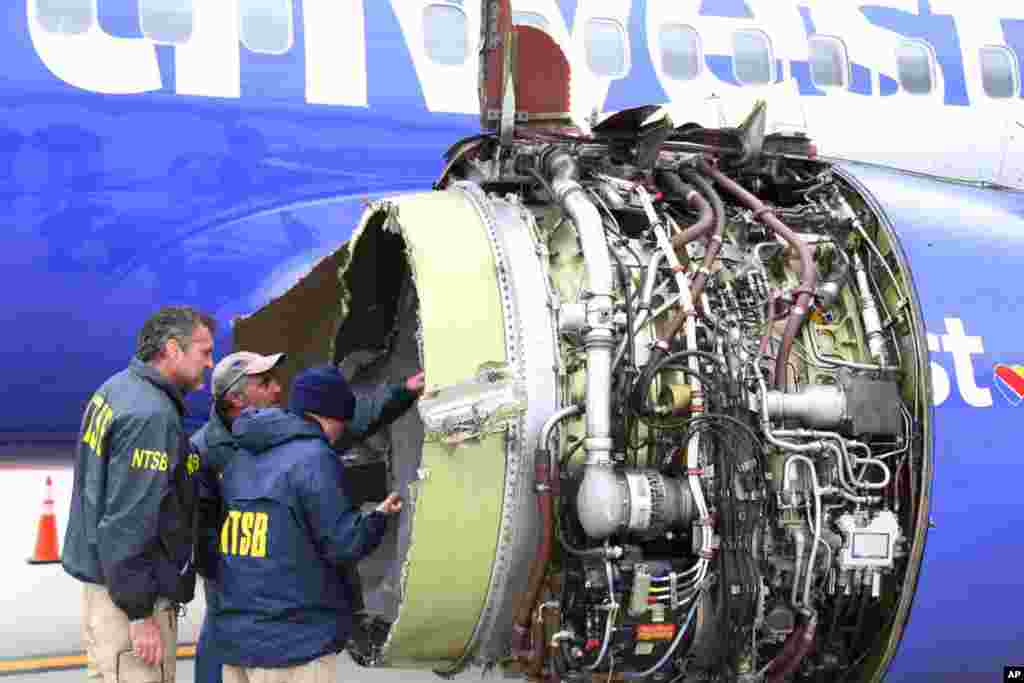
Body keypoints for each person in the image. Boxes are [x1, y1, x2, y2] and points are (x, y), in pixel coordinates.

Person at [197, 361, 423, 683]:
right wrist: (378, 517)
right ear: (332, 417)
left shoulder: (239, 452)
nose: (343, 431)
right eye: (342, 421)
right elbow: (343, 544)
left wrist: (401, 393)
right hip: (294, 647)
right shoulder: (313, 458)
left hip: (238, 643)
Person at [62, 305, 216, 683]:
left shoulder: (117, 388)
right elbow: (129, 521)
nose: (211, 364)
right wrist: (139, 614)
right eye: (205, 352)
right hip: (128, 599)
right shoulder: (151, 416)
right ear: (172, 349)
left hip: (104, 585)